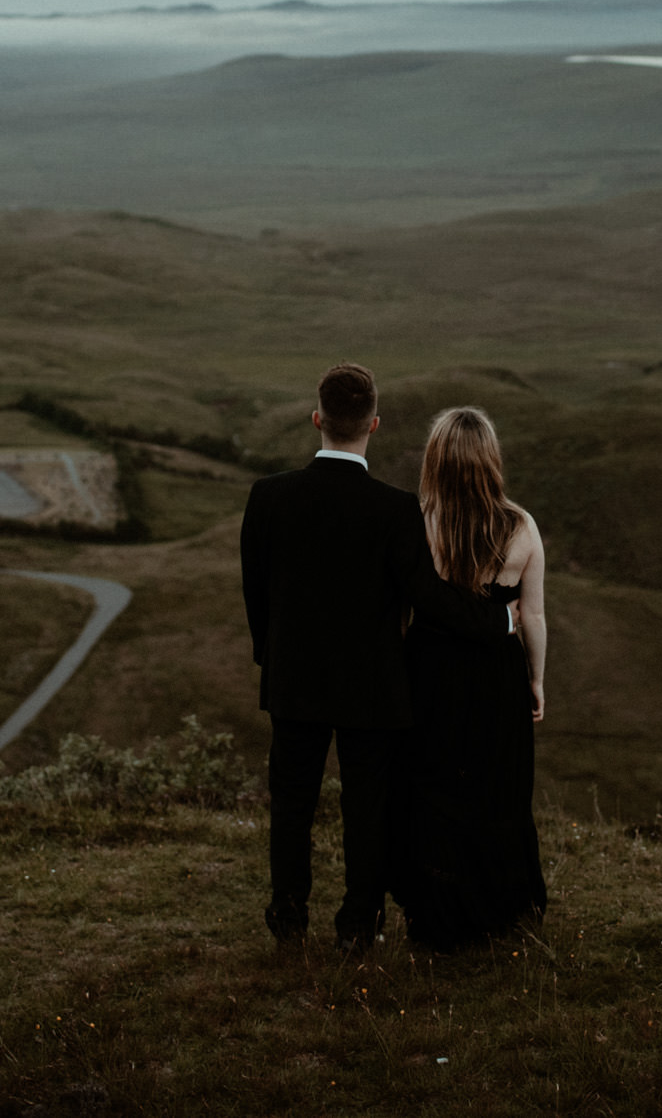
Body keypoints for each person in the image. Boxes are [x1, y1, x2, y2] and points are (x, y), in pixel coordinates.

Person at [240, 363, 516, 952]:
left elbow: (255, 593)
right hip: (373, 687)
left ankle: (288, 915)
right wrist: (502, 619)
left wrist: (274, 659)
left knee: (292, 804)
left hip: (294, 680)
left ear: (318, 419)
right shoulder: (395, 511)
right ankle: (357, 924)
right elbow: (428, 598)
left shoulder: (268, 497)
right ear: (374, 424)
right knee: (367, 809)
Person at [391, 405, 550, 948]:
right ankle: (500, 908)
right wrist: (537, 678)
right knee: (498, 784)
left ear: (435, 460)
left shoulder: (417, 523)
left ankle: (435, 909)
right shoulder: (520, 526)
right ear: (491, 460)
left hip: (430, 670)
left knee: (434, 784)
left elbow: (402, 617)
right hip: (498, 672)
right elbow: (533, 615)